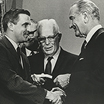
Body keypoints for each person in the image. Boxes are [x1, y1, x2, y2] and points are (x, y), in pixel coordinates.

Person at [0, 8, 65, 104]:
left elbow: (23, 84)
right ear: (11, 26)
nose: (29, 30)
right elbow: (12, 82)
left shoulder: (22, 55)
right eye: (25, 25)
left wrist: (33, 80)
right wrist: (48, 94)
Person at [62, 0, 104, 104]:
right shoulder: (90, 42)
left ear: (85, 17)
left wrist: (70, 79)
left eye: (72, 18)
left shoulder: (101, 40)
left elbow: (100, 77)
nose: (70, 25)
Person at [28, 19, 77, 104]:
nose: (47, 43)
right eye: (42, 39)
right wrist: (31, 79)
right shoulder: (29, 61)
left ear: (59, 37)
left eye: (50, 38)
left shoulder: (74, 61)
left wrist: (63, 94)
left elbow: (81, 94)